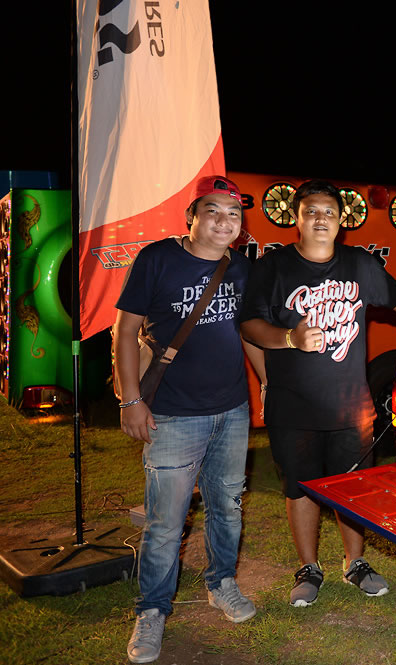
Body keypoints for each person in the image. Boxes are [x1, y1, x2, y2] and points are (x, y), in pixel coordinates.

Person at [115, 175, 266, 664]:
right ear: (191, 217)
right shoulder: (157, 258)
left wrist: (266, 382)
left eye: (233, 214)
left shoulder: (240, 267)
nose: (224, 221)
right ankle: (152, 609)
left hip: (232, 409)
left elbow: (247, 331)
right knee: (165, 522)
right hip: (172, 415)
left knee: (228, 507)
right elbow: (125, 331)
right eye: (213, 211)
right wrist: (131, 401)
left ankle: (221, 584)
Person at [240, 179, 396, 607]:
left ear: (342, 221)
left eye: (329, 212)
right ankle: (308, 567)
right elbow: (249, 325)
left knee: (353, 487)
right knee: (300, 487)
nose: (321, 219)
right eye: (311, 211)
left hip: (350, 405)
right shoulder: (273, 267)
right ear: (296, 218)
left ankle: (355, 563)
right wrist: (290, 338)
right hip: (292, 404)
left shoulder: (360, 265)